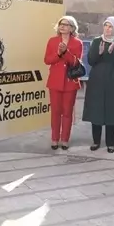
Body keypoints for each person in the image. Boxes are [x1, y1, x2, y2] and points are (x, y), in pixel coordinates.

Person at [81, 17, 114, 152]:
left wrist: (112, 53)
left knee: (111, 110)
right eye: (105, 26)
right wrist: (100, 53)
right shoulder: (96, 41)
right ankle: (96, 141)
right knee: (96, 109)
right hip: (97, 80)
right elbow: (91, 60)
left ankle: (110, 143)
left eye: (110, 27)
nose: (107, 29)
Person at [44, 16, 83, 151]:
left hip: (70, 82)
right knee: (55, 111)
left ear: (72, 28)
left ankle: (65, 139)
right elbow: (47, 60)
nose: (63, 26)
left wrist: (65, 52)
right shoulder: (52, 41)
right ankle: (54, 139)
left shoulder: (77, 43)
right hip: (55, 81)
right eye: (61, 24)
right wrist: (59, 54)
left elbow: (75, 62)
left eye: (66, 24)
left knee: (67, 112)